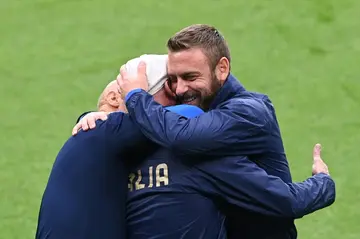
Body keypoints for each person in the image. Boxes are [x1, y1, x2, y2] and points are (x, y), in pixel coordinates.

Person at [113, 24, 332, 238]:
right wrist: (101, 116)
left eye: (190, 77)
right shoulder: (197, 111)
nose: (180, 89)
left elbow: (182, 137)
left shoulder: (249, 112)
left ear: (222, 68)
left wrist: (135, 96)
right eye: (172, 79)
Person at [36, 55, 205, 239]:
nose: (176, 98)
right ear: (115, 98)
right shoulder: (105, 130)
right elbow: (190, 114)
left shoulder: (99, 135)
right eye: (167, 93)